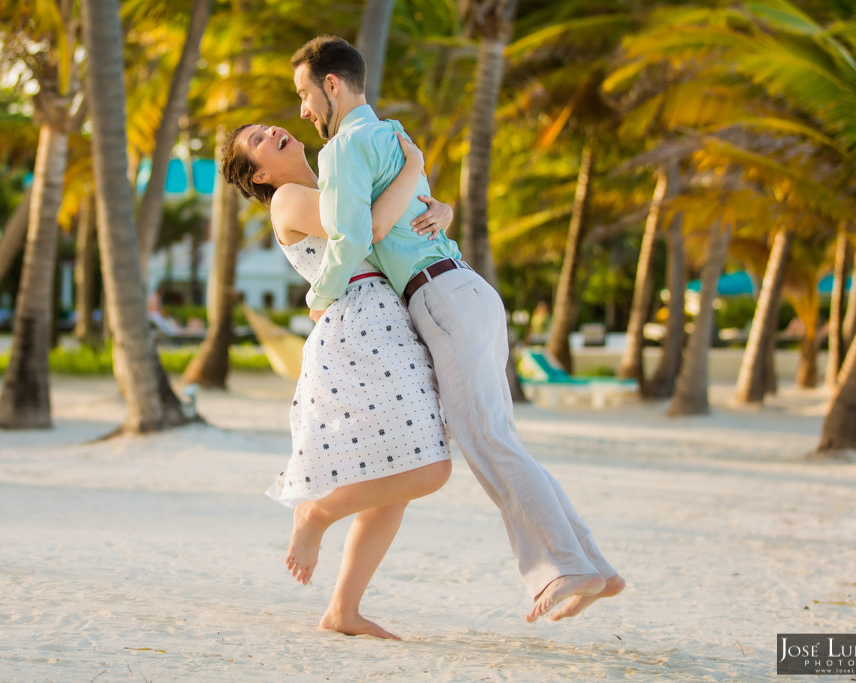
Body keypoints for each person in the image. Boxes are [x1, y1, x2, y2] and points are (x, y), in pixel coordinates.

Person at [290, 35, 625, 623]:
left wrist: (317, 297)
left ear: (332, 86)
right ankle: (590, 565)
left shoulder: (341, 150)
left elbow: (352, 241)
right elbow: (425, 211)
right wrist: (434, 195)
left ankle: (566, 568)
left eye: (304, 95)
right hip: (469, 290)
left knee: (488, 441)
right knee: (500, 438)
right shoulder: (395, 137)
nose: (303, 111)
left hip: (439, 296)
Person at [221, 120, 455, 640]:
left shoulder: (337, 174)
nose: (272, 130)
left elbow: (402, 216)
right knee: (431, 468)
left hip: (393, 320)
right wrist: (414, 167)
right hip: (358, 329)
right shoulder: (287, 200)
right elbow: (366, 225)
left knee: (396, 482)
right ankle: (316, 516)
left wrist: (441, 209)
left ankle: (343, 610)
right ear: (259, 174)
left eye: (266, 126)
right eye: (257, 141)